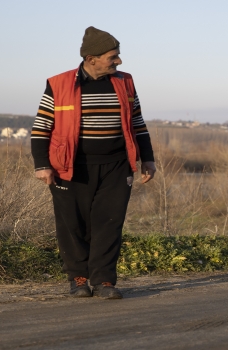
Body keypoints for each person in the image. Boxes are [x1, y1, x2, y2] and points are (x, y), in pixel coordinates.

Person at [31, 26, 156, 299]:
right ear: (91, 58)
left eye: (118, 55)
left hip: (116, 166)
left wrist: (148, 158)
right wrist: (42, 165)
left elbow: (137, 123)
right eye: (113, 56)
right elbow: (42, 128)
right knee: (72, 224)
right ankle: (79, 278)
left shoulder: (125, 82)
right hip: (70, 167)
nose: (119, 61)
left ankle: (104, 281)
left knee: (109, 223)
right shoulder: (59, 83)